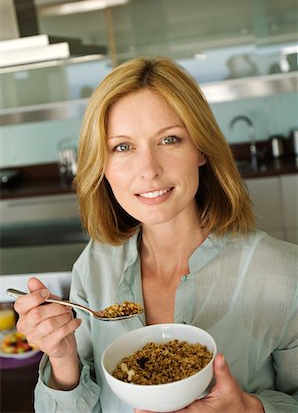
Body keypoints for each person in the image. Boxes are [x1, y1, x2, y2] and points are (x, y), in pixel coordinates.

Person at [14, 57, 297, 413]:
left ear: (201, 149)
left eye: (169, 139)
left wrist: (252, 409)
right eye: (122, 146)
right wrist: (63, 358)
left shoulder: (285, 273)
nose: (148, 170)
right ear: (102, 165)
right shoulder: (95, 264)